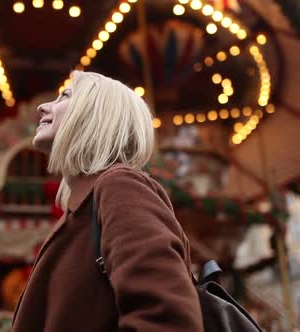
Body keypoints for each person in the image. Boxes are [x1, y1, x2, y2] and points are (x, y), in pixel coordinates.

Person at [12, 71, 203, 331]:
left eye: (65, 96)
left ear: (96, 113)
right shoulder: (80, 212)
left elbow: (165, 314)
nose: (43, 106)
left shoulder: (120, 186)